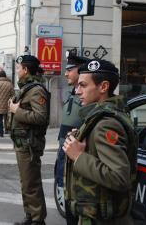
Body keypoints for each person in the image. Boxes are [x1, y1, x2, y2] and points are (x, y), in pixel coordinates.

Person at [62, 59, 138, 225]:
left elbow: (119, 177)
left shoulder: (107, 123)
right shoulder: (100, 117)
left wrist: (79, 156)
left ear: (103, 87)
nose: (77, 91)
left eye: (83, 85)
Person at [8, 55, 49, 225]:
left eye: (18, 68)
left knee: (31, 183)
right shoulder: (27, 88)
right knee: (26, 182)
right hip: (22, 143)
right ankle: (30, 216)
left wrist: (16, 110)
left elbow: (41, 117)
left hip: (29, 144)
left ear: (25, 70)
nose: (17, 71)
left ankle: (38, 220)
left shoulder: (36, 90)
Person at [55, 52, 89, 222]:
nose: (66, 73)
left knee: (74, 211)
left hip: (76, 160)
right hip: (64, 153)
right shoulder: (73, 93)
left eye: (70, 69)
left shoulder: (89, 99)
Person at [0, 70, 14, 137]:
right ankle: (6, 130)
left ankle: (1, 133)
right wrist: (11, 102)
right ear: (5, 76)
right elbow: (13, 95)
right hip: (7, 104)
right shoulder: (9, 84)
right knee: (6, 117)